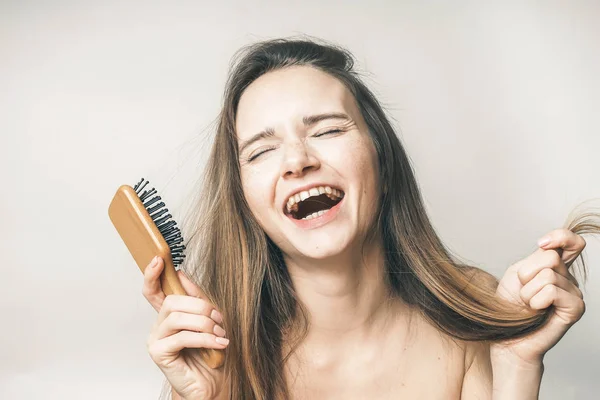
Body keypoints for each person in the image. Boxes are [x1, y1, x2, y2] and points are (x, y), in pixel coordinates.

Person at [139, 37, 598, 399]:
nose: (297, 161)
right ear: (244, 198)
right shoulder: (220, 355)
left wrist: (518, 364)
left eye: (328, 129)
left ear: (380, 154)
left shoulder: (470, 307)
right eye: (260, 151)